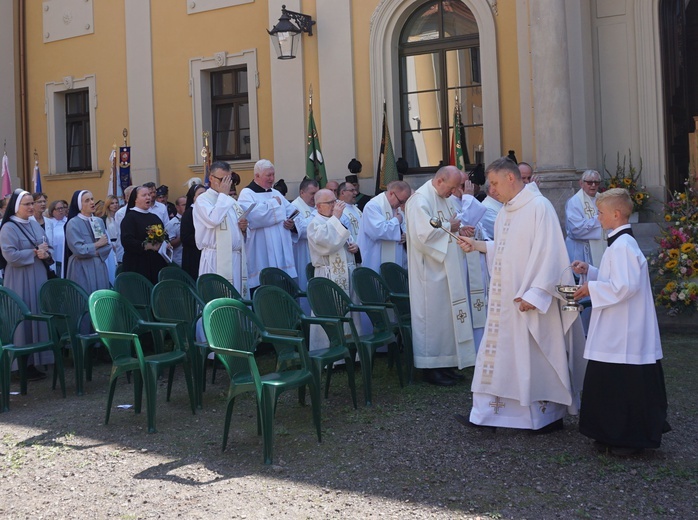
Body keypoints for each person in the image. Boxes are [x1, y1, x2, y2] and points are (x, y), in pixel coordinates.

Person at [457, 157, 585, 432]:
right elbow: (506, 251)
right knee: (500, 354)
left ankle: (543, 417)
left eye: (494, 183)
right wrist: (479, 245)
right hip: (505, 300)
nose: (491, 190)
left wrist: (536, 294)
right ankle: (487, 415)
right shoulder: (505, 211)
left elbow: (551, 255)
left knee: (532, 355)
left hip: (529, 300)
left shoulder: (539, 208)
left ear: (511, 178)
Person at [572, 188, 669, 455]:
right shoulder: (620, 244)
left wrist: (591, 289)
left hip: (624, 330)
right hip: (617, 326)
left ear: (616, 214)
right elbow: (615, 278)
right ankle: (609, 433)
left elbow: (625, 286)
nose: (598, 219)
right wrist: (590, 272)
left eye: (601, 213)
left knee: (622, 384)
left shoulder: (624, 246)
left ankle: (628, 438)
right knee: (609, 381)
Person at [405, 166, 477, 386]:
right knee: (432, 320)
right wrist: (450, 226)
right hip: (429, 272)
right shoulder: (420, 201)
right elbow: (422, 236)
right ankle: (430, 368)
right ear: (440, 180)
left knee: (446, 320)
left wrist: (459, 229)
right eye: (453, 187)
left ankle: (446, 364)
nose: (454, 192)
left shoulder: (442, 197)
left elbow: (449, 225)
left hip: (446, 268)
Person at [0, 189, 53, 380]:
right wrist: (33, 252)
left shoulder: (33, 224)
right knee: (22, 318)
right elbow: (10, 255)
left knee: (36, 313)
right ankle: (19, 364)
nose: (31, 207)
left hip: (37, 274)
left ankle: (34, 361)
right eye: (27, 204)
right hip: (19, 278)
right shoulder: (8, 228)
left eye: (32, 203)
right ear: (16, 206)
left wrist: (45, 253)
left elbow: (45, 245)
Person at [307, 189, 359, 349]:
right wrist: (336, 217)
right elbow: (328, 244)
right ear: (318, 206)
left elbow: (347, 239)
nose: (335, 205)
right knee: (330, 313)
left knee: (351, 312)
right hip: (328, 276)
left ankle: (353, 350)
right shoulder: (314, 224)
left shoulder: (338, 220)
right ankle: (331, 352)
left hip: (347, 272)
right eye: (330, 203)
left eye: (335, 201)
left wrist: (356, 248)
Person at [238, 159, 297, 289]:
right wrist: (274, 204)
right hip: (260, 249)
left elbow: (293, 212)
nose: (272, 179)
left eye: (273, 175)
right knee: (264, 287)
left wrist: (291, 224)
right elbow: (254, 217)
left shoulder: (276, 193)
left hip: (280, 249)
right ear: (257, 176)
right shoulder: (247, 194)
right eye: (268, 175)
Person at [194, 161, 249, 297]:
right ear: (211, 178)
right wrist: (224, 196)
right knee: (218, 298)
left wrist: (243, 229)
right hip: (216, 259)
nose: (226, 183)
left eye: (228, 179)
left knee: (236, 297)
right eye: (222, 179)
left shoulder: (231, 201)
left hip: (236, 258)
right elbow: (213, 219)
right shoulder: (203, 200)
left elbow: (236, 230)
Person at [357, 180, 410, 273]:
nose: (401, 205)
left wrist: (405, 235)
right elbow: (378, 231)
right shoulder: (373, 206)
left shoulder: (396, 207)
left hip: (396, 260)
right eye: (401, 201)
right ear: (391, 193)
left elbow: (404, 227)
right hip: (376, 258)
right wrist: (396, 220)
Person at [64, 190, 111, 294]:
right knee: (84, 298)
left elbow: (107, 245)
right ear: (80, 205)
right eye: (87, 200)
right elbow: (78, 249)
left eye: (92, 199)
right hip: (81, 267)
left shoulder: (98, 221)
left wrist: (98, 251)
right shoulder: (73, 223)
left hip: (99, 266)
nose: (92, 202)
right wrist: (97, 246)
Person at [120, 186, 169, 285]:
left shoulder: (154, 217)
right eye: (144, 195)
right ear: (135, 199)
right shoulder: (130, 218)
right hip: (138, 264)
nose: (148, 197)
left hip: (156, 264)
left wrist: (166, 243)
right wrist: (146, 246)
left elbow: (165, 234)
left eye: (149, 195)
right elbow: (127, 241)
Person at [565, 170, 606, 267]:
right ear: (581, 183)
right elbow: (576, 229)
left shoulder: (603, 199)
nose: (593, 185)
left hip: (601, 246)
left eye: (596, 182)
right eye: (589, 182)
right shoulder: (574, 202)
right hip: (581, 248)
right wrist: (599, 218)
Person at [291, 178, 319, 303]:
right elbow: (302, 230)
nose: (315, 197)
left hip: (317, 253)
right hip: (302, 253)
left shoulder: (317, 207)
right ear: (302, 192)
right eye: (312, 193)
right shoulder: (294, 207)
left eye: (317, 193)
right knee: (305, 285)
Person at [181, 183, 206, 280]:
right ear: (193, 197)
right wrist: (203, 239)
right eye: (200, 194)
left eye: (205, 193)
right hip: (193, 255)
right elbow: (185, 237)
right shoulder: (188, 214)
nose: (203, 196)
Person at [98, 194, 120, 278]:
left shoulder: (121, 216)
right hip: (110, 246)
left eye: (116, 203)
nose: (115, 205)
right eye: (112, 203)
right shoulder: (103, 219)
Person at [45, 199, 67, 277]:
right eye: (58, 209)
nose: (61, 210)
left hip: (66, 253)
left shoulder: (68, 222)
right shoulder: (49, 223)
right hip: (56, 254)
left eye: (62, 208)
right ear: (52, 211)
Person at [165, 195, 186, 267]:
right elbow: (169, 244)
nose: (186, 207)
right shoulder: (172, 224)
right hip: (177, 261)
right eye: (184, 205)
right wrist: (183, 236)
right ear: (177, 207)